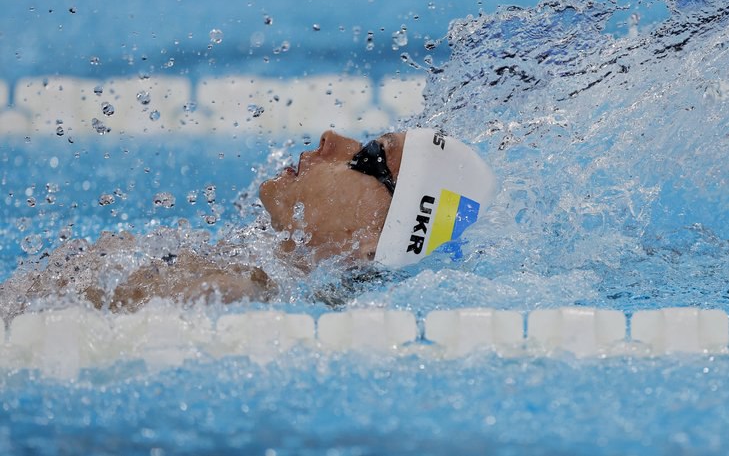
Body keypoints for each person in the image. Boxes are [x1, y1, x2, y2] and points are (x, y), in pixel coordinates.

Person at [0, 128, 496, 317]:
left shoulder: (232, 296)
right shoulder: (254, 277)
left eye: (368, 154)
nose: (332, 138)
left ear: (372, 239)